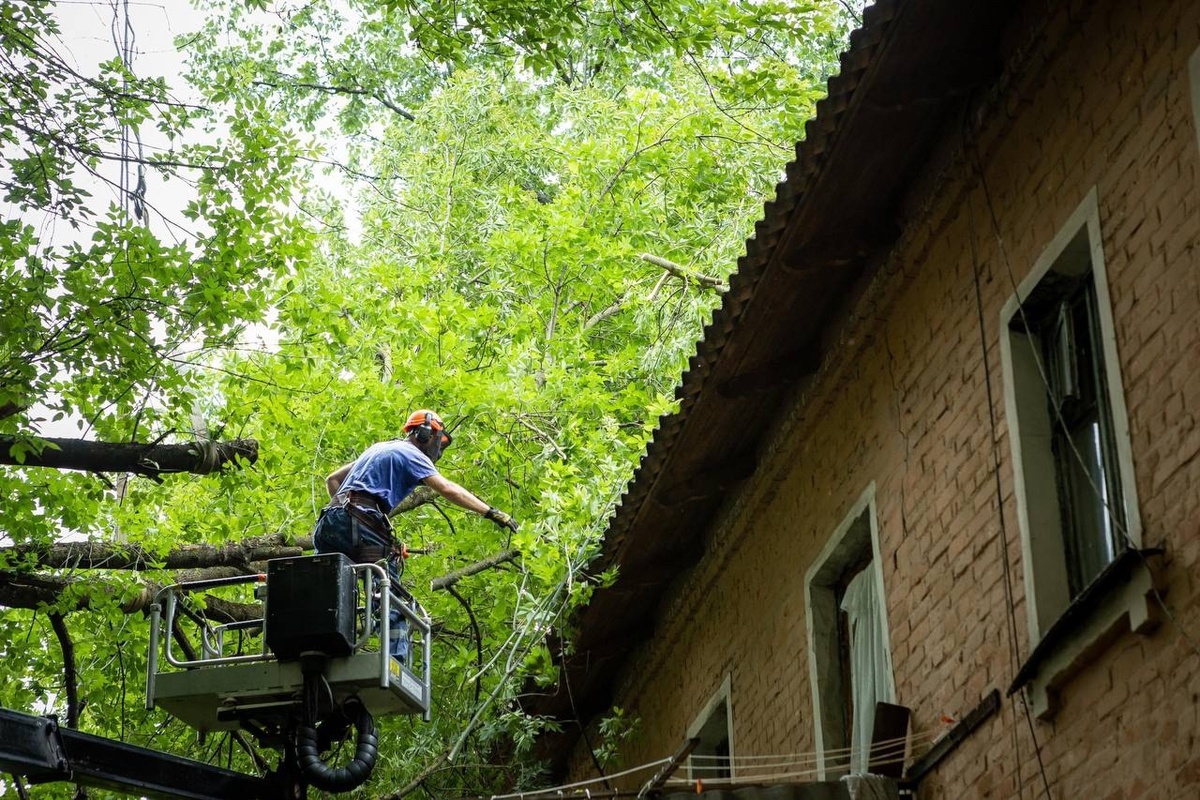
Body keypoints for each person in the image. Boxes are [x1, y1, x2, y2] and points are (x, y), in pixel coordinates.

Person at [313, 409, 519, 662]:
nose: (438, 448)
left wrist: (359, 520)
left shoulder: (380, 448)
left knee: (329, 589)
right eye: (438, 439)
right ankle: (395, 666)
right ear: (424, 434)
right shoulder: (412, 453)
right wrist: (492, 512)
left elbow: (332, 480)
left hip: (328, 524)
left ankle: (320, 649)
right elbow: (447, 489)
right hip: (358, 523)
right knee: (391, 597)